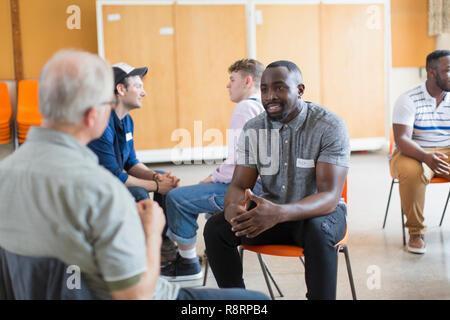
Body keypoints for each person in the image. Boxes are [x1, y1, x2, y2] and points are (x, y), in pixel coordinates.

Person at [0, 49, 268, 301]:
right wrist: (151, 233)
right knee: (255, 302)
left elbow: (130, 162)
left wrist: (154, 178)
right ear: (95, 114)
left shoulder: (5, 174)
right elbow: (137, 294)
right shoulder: (100, 191)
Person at [203, 60, 350, 300]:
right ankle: (239, 303)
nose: (270, 96)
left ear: (300, 90)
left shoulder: (329, 126)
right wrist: (233, 211)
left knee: (318, 230)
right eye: (264, 89)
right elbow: (240, 184)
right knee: (217, 228)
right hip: (269, 215)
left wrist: (280, 213)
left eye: (280, 88)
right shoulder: (253, 128)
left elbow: (329, 197)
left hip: (317, 215)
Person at [162, 59, 265, 282]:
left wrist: (213, 177)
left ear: (248, 81)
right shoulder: (265, 106)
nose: (228, 85)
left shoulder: (244, 108)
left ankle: (187, 263)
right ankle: (216, 253)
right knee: (211, 208)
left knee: (176, 198)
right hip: (264, 189)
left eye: (232, 80)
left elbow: (241, 161)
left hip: (246, 190)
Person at [88, 62, 179, 263]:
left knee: (162, 176)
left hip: (112, 180)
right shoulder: (102, 122)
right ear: (120, 89)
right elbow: (114, 175)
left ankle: (161, 244)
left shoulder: (127, 120)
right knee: (139, 193)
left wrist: (157, 177)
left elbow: (131, 163)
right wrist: (156, 185)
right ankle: (140, 253)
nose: (144, 92)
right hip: (94, 189)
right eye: (138, 86)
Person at [390, 50, 450, 254]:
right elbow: (402, 140)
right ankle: (416, 232)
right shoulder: (408, 99)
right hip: (413, 151)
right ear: (432, 73)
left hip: (445, 149)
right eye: (448, 70)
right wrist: (426, 157)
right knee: (412, 172)